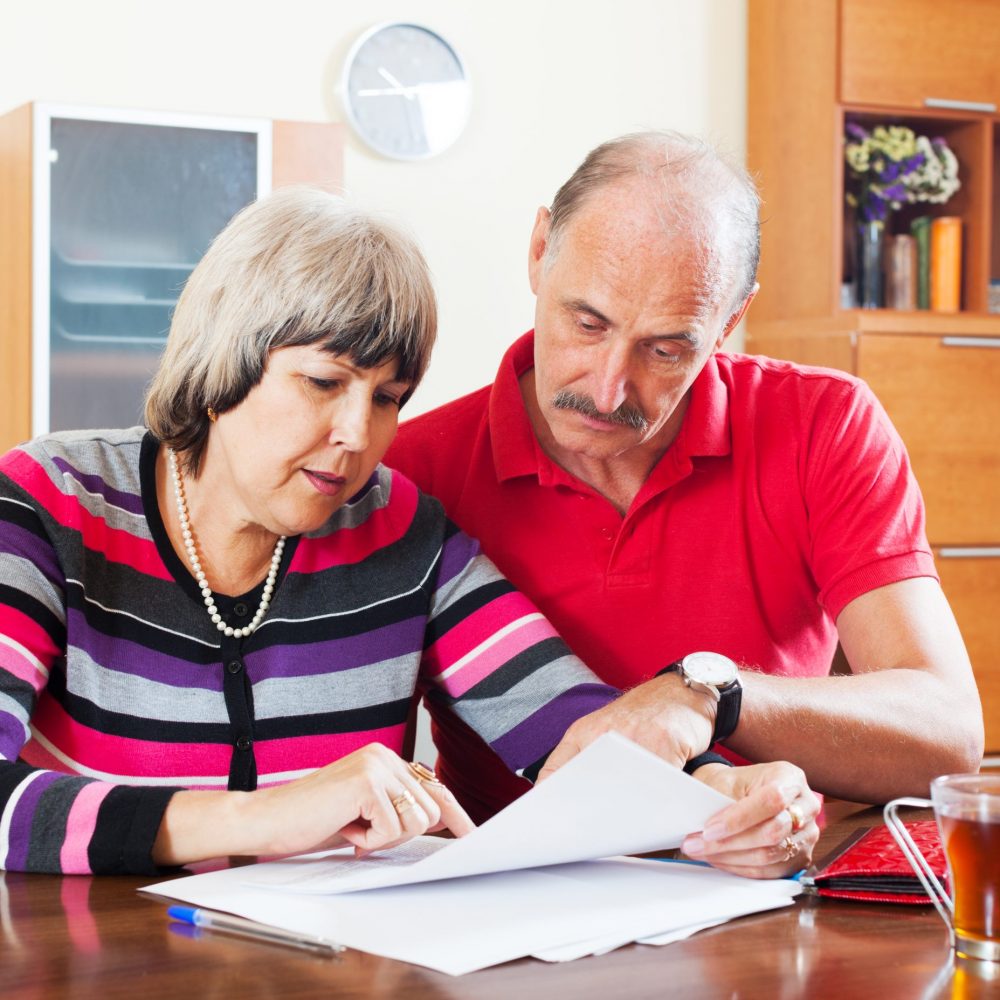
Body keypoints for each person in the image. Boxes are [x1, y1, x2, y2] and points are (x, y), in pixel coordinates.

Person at [0, 186, 818, 879]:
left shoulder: (400, 530)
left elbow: (570, 725)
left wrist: (721, 796)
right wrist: (264, 817)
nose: (357, 434)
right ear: (223, 363)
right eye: (323, 382)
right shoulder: (49, 504)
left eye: (388, 397)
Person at [386, 131, 984, 866]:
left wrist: (708, 695)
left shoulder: (824, 424)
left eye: (665, 349)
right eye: (587, 323)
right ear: (540, 251)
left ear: (729, 321)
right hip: (512, 896)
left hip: (760, 892)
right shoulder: (409, 470)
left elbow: (947, 735)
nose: (608, 390)